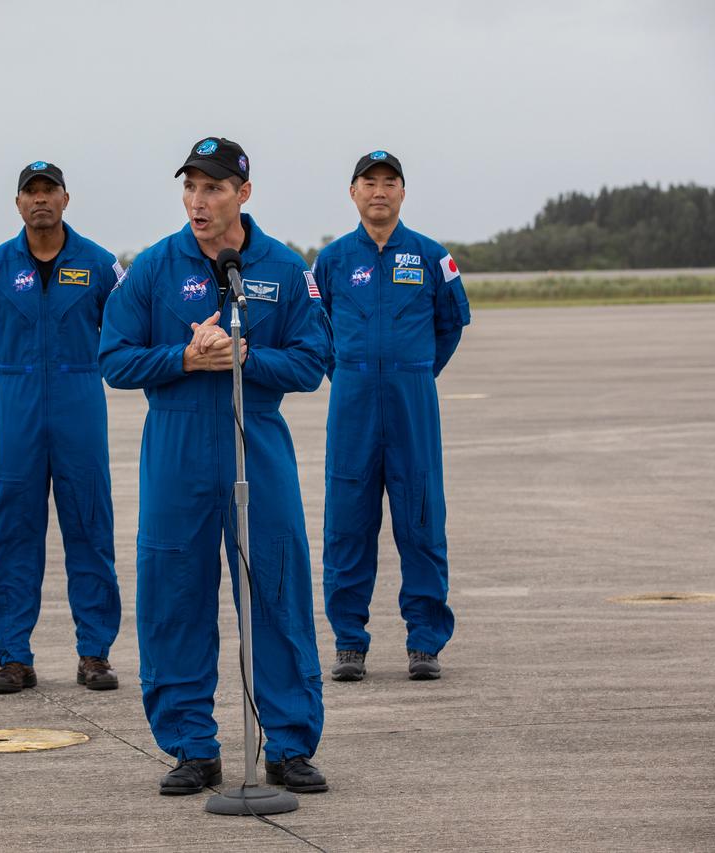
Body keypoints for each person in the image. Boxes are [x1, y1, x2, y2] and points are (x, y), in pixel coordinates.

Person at [99, 138, 328, 796]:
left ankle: (287, 743)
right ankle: (192, 745)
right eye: (191, 188)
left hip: (256, 442)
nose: (198, 201)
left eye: (214, 188)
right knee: (174, 594)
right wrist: (184, 359)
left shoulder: (283, 269)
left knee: (277, 589)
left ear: (243, 194)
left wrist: (247, 354)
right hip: (176, 448)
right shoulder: (152, 268)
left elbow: (313, 361)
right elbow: (114, 357)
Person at [0, 161, 123, 695]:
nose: (40, 200)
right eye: (31, 193)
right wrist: (12, 377)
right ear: (18, 204)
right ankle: (13, 657)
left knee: (90, 529)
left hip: (81, 406)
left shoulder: (99, 264)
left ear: (66, 198)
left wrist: (79, 372)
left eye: (49, 191)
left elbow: (122, 330)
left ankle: (94, 654)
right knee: (12, 534)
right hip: (19, 411)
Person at [313, 151, 472, 683]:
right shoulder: (331, 261)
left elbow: (451, 324)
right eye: (369, 183)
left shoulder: (431, 256)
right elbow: (317, 328)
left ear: (403, 192)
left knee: (422, 519)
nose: (379, 191)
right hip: (352, 403)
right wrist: (348, 373)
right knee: (347, 523)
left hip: (412, 402)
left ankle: (424, 642)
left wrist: (418, 372)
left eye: (389, 182)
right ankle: (349, 642)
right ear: (352, 192)